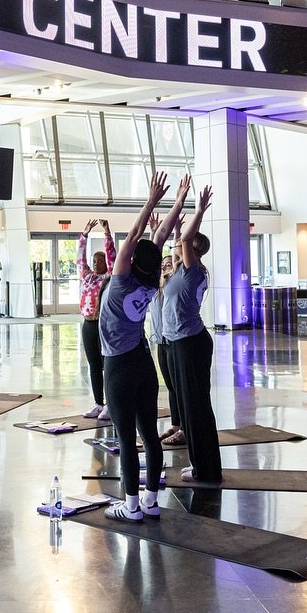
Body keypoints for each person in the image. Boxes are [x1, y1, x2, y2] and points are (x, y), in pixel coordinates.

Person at [100, 173, 185, 522]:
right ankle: (150, 501)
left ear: (132, 260)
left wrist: (152, 199)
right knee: (149, 434)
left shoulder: (121, 281)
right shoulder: (151, 280)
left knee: (125, 437)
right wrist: (177, 202)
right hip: (142, 361)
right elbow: (156, 239)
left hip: (118, 366)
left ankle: (131, 506)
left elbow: (139, 237)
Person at [165, 185, 220, 482]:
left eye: (183, 246)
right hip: (180, 343)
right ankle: (200, 464)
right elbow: (179, 238)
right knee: (189, 408)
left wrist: (198, 211)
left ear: (192, 250)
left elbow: (184, 238)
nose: (177, 247)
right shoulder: (182, 271)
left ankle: (206, 468)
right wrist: (176, 207)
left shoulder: (194, 271)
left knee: (197, 409)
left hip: (191, 344)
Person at [77, 218, 115, 419]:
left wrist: (107, 233)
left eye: (100, 261)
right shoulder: (87, 276)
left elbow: (113, 257)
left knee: (106, 364)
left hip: (103, 324)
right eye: (95, 261)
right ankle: (98, 403)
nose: (96, 263)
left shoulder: (108, 277)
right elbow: (80, 258)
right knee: (93, 365)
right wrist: (84, 235)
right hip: (88, 324)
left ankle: (110, 404)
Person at [150, 237, 183, 447]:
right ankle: (176, 424)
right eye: (162, 266)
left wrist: (176, 236)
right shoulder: (156, 288)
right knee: (170, 386)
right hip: (161, 341)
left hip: (174, 339)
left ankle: (185, 429)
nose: (164, 268)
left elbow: (178, 259)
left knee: (179, 386)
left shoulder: (174, 286)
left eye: (168, 265)